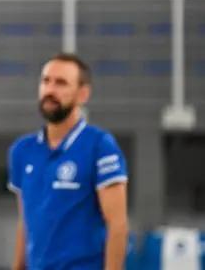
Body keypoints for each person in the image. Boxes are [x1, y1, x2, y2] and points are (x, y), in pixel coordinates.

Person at [7, 54, 130, 270]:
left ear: (83, 94)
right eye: (46, 81)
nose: (50, 90)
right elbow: (25, 223)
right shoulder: (22, 151)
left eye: (61, 83)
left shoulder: (99, 146)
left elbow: (117, 225)